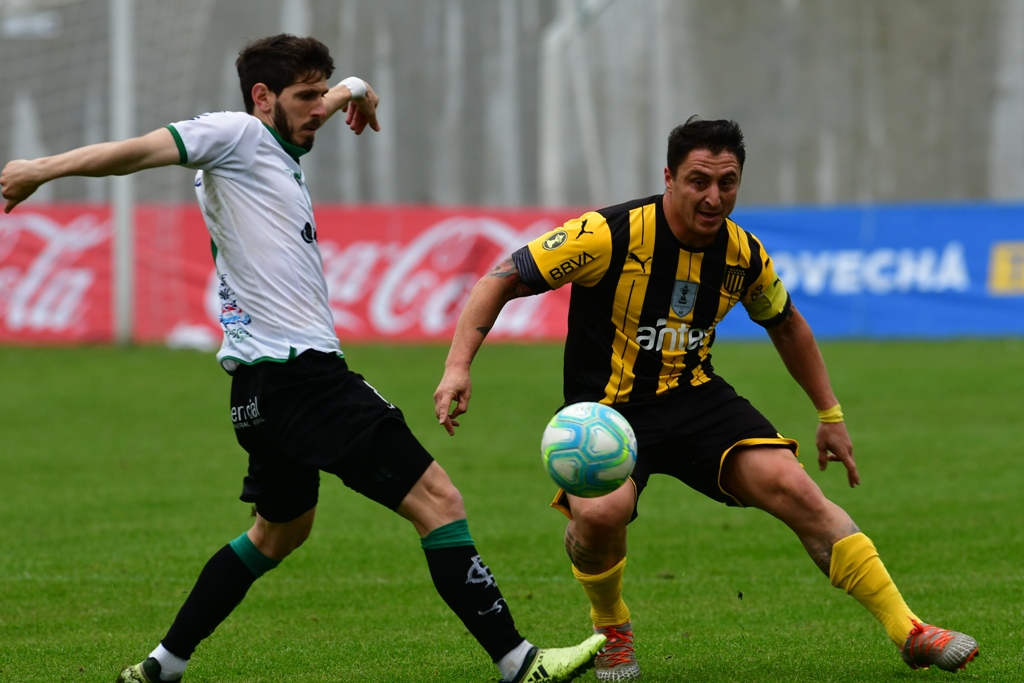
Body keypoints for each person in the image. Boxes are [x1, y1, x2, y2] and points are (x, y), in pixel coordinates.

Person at [1, 34, 605, 683]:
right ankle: (520, 663)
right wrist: (41, 168)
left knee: (279, 532)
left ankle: (161, 665)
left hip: (258, 393)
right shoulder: (233, 134)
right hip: (303, 378)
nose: (318, 107)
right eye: (304, 97)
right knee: (438, 498)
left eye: (322, 92)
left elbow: (342, 92)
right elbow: (137, 151)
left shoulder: (280, 139)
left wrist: (358, 92)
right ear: (262, 98)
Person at [434, 116, 979, 680]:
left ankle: (909, 631)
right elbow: (501, 277)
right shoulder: (608, 234)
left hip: (695, 399)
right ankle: (611, 627)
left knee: (796, 488)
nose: (714, 196)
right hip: (608, 412)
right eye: (699, 180)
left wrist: (829, 414)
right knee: (602, 512)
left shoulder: (743, 254)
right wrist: (457, 367)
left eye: (728, 182)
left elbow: (786, 323)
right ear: (669, 177)